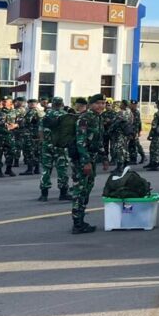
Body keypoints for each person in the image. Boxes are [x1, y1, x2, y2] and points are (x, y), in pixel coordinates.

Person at [70, 93, 106, 234]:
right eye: (98, 103)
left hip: (92, 159)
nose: (101, 106)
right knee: (80, 191)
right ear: (90, 104)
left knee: (86, 190)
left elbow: (98, 140)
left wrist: (104, 157)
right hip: (82, 161)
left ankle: (81, 220)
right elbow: (81, 142)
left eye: (103, 103)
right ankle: (77, 224)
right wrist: (85, 162)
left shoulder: (98, 118)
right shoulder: (84, 118)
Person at [38, 97, 70, 201]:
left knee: (46, 169)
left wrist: (43, 142)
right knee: (62, 169)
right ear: (62, 104)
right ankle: (63, 193)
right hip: (61, 146)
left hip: (47, 146)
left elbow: (40, 131)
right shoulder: (65, 115)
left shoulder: (46, 115)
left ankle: (44, 194)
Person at [19, 99, 42, 176]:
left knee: (29, 151)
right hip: (38, 134)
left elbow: (26, 121)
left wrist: (20, 121)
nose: (31, 104)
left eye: (32, 103)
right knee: (37, 152)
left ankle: (30, 169)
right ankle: (37, 169)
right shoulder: (40, 112)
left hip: (30, 134)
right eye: (31, 103)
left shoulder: (31, 111)